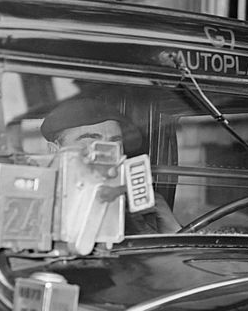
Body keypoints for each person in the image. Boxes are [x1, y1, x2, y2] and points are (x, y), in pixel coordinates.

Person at [41, 96, 180, 234]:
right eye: (91, 142)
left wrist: (171, 227)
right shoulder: (37, 202)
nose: (106, 153)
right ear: (54, 151)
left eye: (115, 143)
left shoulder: (133, 208)